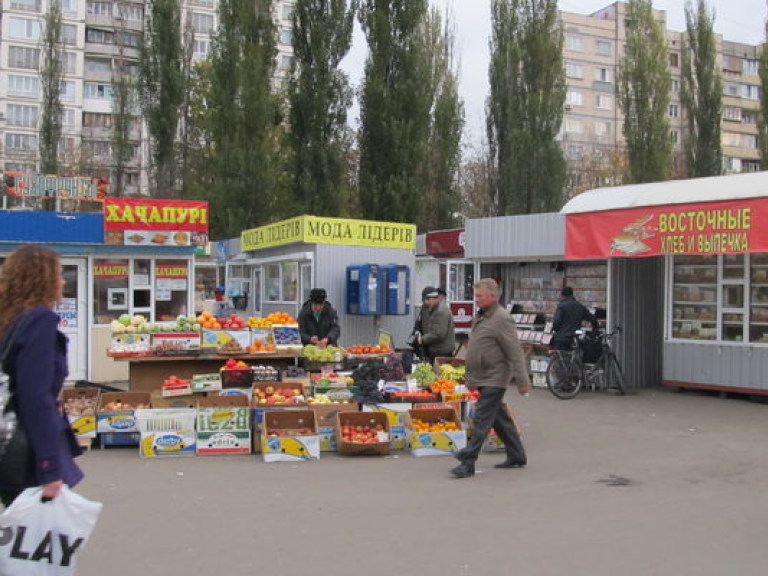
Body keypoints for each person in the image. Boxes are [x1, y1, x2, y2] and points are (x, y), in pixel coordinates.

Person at [0, 245, 84, 507]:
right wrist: (49, 468)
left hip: (7, 440)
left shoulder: (10, 318)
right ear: (43, 280)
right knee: (37, 542)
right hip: (27, 452)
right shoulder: (39, 321)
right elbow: (35, 397)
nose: (62, 281)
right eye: (58, 274)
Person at [451, 278, 529, 479]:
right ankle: (517, 456)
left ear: (494, 297)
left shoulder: (502, 318)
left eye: (480, 296)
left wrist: (522, 381)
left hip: (494, 377)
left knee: (482, 418)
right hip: (481, 376)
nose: (476, 300)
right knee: (498, 419)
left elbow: (515, 352)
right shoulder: (482, 316)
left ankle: (468, 460)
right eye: (475, 296)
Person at [551, 286, 599, 351]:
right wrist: (595, 329)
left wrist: (554, 330)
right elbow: (592, 318)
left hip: (561, 338)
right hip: (574, 338)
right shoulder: (580, 306)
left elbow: (556, 322)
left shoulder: (561, 306)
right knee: (572, 356)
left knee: (560, 357)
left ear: (562, 295)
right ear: (572, 294)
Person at [418, 286, 456, 364]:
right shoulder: (433, 308)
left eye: (427, 300)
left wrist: (423, 339)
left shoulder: (440, 311)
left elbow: (438, 334)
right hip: (436, 349)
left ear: (434, 299)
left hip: (442, 351)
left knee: (439, 374)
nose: (426, 303)